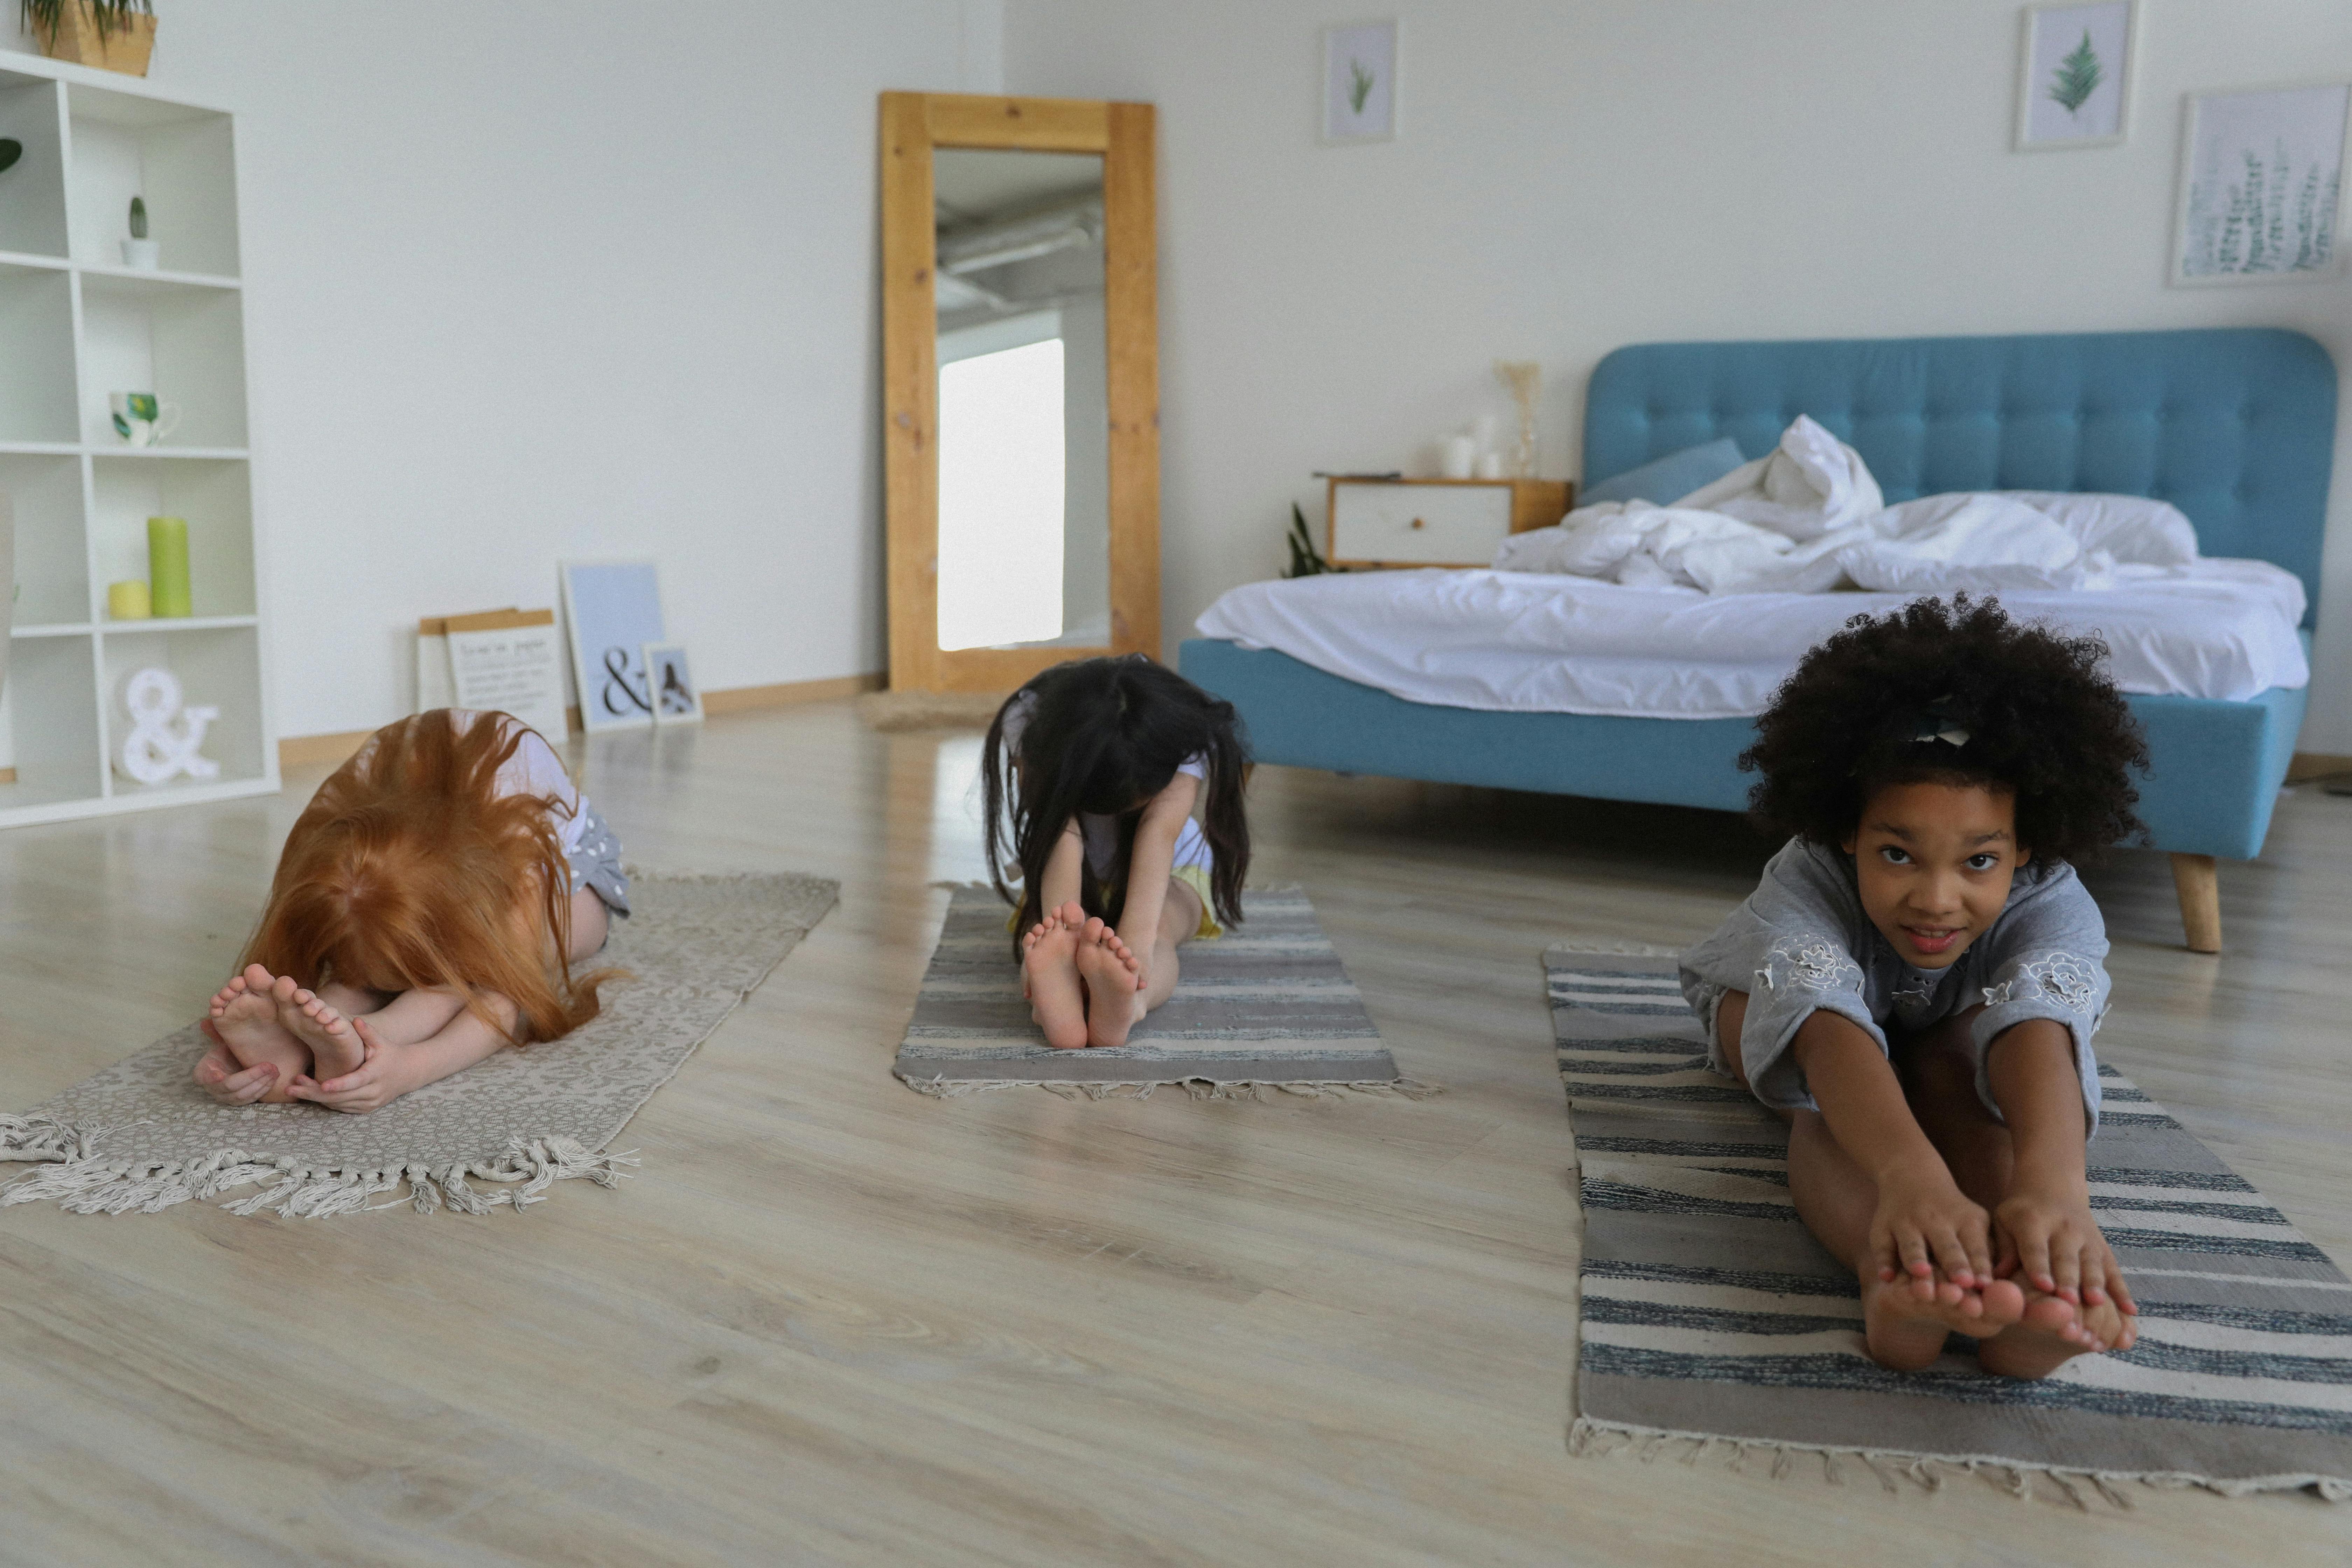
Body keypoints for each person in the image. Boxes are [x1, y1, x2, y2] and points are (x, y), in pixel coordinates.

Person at [1680, 596, 2148, 1378]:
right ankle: (1894, 1277)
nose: (1936, 898)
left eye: (1978, 861)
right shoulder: (1807, 878)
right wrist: (1914, 1179)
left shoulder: (2052, 898)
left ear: (2024, 846)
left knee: (1962, 1075)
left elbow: (2043, 1022)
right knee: (1826, 1095)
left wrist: (2056, 1188)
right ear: (1847, 831)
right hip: (1778, 1011)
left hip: (1946, 1022)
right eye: (1898, 854)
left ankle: (2030, 1284)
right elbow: (1828, 1026)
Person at [194, 709, 629, 1113]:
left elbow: (511, 992)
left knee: (484, 973)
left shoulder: (516, 815)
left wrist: (410, 1069)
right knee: (360, 973)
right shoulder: (344, 815)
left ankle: (374, 1035)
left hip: (576, 880)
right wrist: (247, 1048)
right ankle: (308, 1040)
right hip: (460, 872)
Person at [980, 656, 1250, 1049]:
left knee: (1157, 928)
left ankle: (1131, 1000)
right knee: (1044, 933)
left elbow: (1159, 834)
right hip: (1070, 864)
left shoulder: (1180, 731)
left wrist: (1135, 954)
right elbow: (1060, 830)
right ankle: (1057, 997)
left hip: (1172, 868)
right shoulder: (1033, 719)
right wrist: (1064, 930)